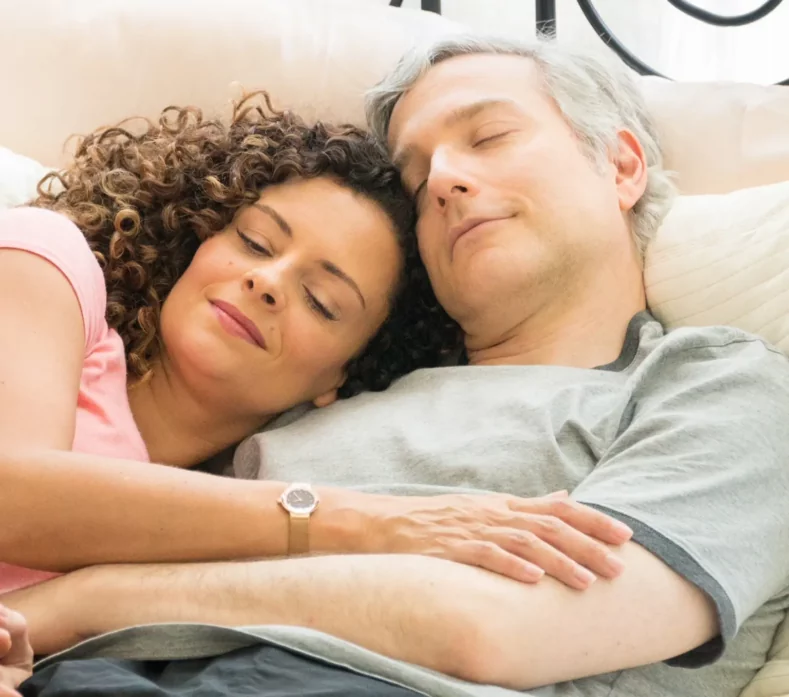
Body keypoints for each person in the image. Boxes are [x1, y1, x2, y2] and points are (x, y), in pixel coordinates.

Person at [6, 35, 789, 697]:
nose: (442, 179)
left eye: (487, 137)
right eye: (416, 180)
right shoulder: (308, 387)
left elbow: (493, 628)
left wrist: (84, 600)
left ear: (620, 165)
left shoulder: (718, 387)